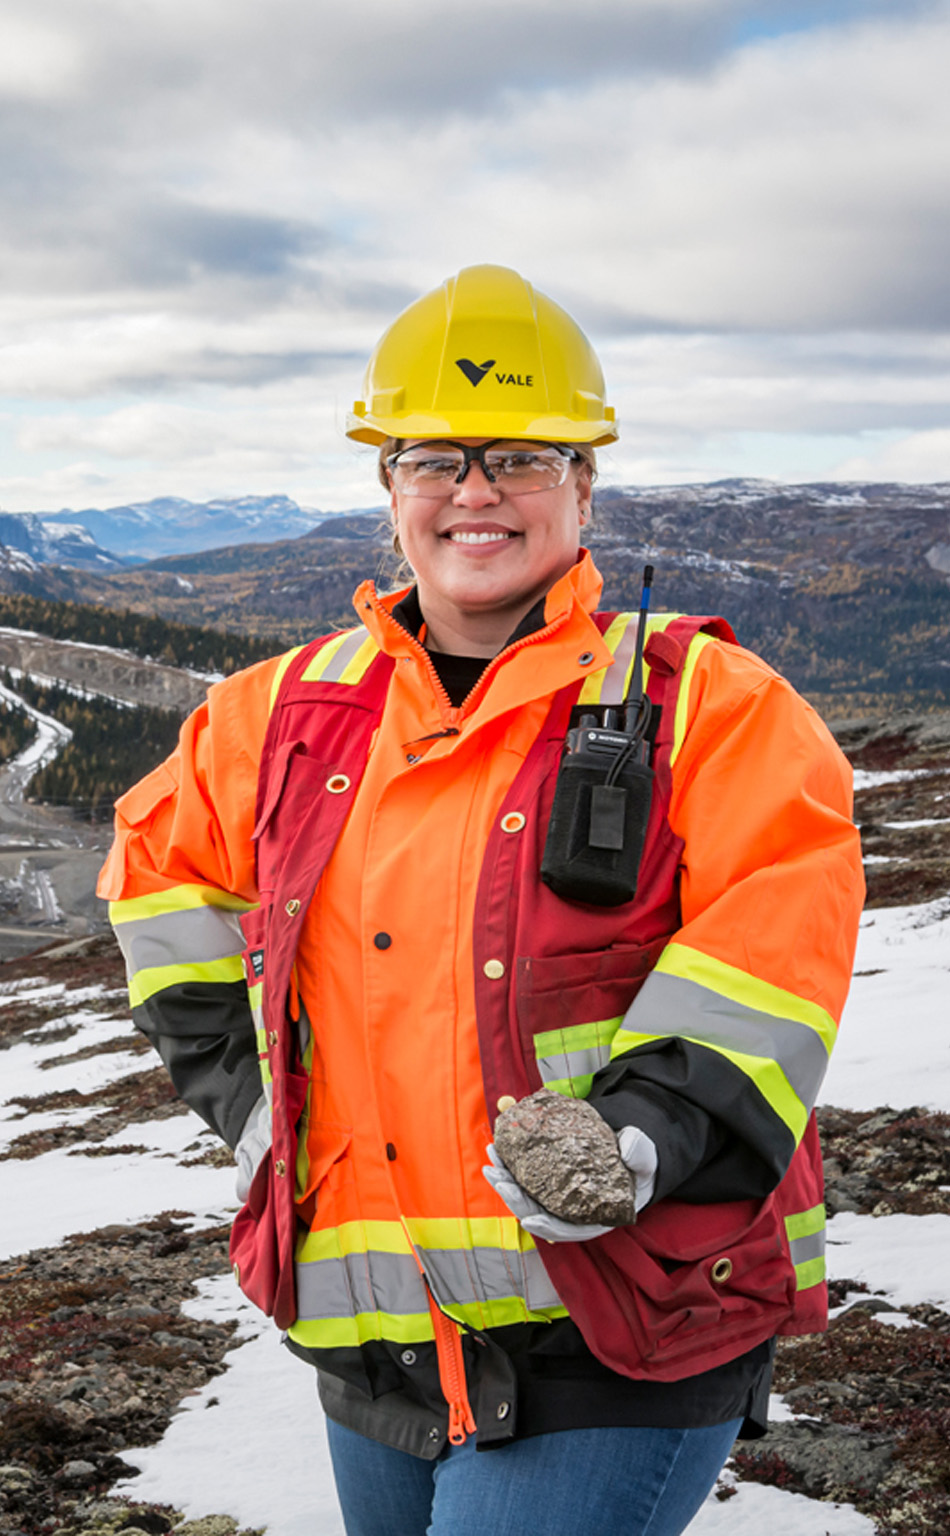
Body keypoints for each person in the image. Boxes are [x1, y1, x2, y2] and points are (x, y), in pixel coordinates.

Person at [98, 264, 865, 1536]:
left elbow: (770, 947)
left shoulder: (709, 705)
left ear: (582, 484)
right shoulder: (278, 713)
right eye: (431, 457)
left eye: (518, 455)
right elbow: (157, 879)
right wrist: (249, 1105)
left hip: (614, 1330)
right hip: (375, 1348)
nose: (473, 490)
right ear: (386, 485)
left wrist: (636, 1136)